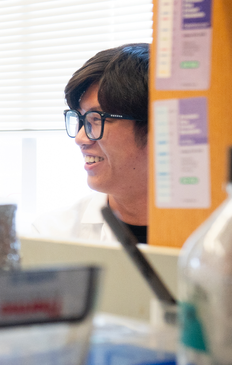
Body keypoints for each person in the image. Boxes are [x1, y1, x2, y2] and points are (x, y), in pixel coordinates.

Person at [31, 43, 150, 243]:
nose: (80, 139)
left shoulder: (213, 237)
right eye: (81, 120)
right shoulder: (52, 235)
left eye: (97, 119)